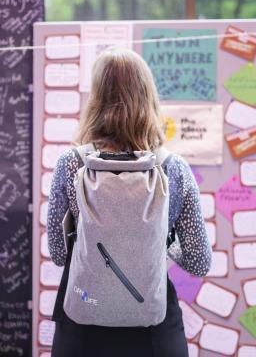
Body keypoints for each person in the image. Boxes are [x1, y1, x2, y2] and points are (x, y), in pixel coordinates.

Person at [46, 47, 212, 357]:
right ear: (148, 97)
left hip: (84, 322)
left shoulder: (72, 164)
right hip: (153, 330)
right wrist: (156, 240)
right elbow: (199, 261)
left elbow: (57, 253)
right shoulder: (172, 168)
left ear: (95, 99)